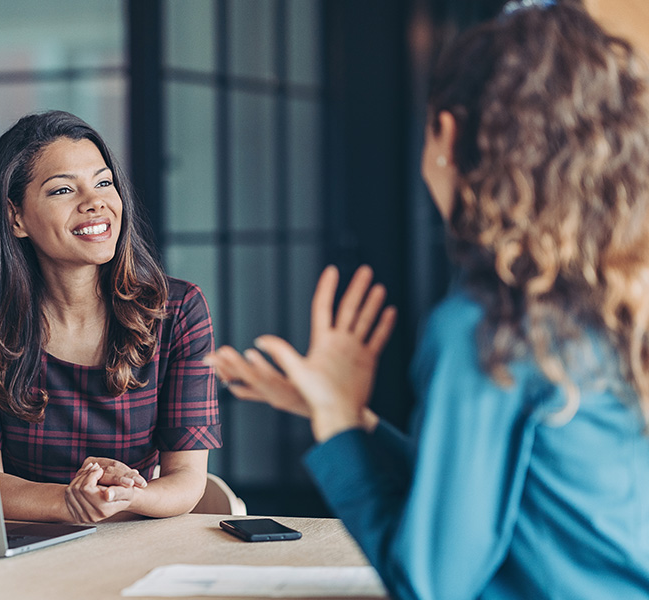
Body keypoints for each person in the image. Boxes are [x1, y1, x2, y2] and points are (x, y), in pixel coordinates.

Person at [205, 1, 649, 597]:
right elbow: (496, 494)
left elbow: (432, 584)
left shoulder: (490, 325)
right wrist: (346, 417)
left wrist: (337, 423)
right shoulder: (613, 298)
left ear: (447, 133)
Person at [0, 110, 221, 523]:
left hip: (134, 535)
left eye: (104, 182)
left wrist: (124, 494)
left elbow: (186, 479)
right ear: (15, 217)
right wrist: (69, 502)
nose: (95, 203)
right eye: (62, 191)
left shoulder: (177, 309)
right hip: (25, 541)